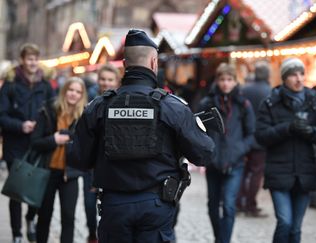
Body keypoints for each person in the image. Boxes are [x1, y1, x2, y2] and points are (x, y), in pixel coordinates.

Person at [70, 29, 215, 243]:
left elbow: (78, 158)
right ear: (154, 63)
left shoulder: (99, 107)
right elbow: (204, 154)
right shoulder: (171, 107)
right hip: (156, 205)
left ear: (125, 64)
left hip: (114, 205)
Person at [255, 57, 316, 243]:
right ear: (284, 79)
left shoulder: (313, 101)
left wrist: (311, 131)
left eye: (301, 74)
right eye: (293, 75)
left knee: (296, 229)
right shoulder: (271, 102)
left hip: (304, 173)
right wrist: (287, 128)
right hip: (279, 172)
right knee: (285, 222)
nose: (299, 79)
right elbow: (261, 136)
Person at [0, 43, 55, 243]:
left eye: (35, 58)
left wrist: (42, 127)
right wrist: (20, 125)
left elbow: (53, 110)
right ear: (22, 60)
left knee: (36, 186)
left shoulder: (46, 84)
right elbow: (1, 115)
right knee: (16, 190)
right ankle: (16, 233)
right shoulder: (11, 83)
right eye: (29, 58)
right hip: (15, 144)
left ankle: (30, 218)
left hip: (37, 145)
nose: (32, 62)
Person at [199, 63, 255, 243]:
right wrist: (207, 150)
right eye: (222, 79)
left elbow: (251, 133)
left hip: (235, 163)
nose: (225, 83)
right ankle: (219, 238)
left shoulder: (243, 104)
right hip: (214, 162)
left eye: (229, 80)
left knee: (230, 206)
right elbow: (199, 131)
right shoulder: (207, 103)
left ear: (235, 81)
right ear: (217, 81)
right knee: (212, 206)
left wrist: (240, 149)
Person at [30, 77, 87, 243]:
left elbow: (86, 145)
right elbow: (35, 142)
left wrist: (71, 138)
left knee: (68, 218)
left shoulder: (84, 115)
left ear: (82, 95)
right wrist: (53, 140)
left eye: (78, 91)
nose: (74, 94)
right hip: (47, 172)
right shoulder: (48, 110)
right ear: (64, 90)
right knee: (44, 216)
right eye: (71, 89)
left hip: (70, 174)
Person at [82, 63, 121, 243]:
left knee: (110, 207)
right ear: (98, 81)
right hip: (91, 163)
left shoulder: (122, 101)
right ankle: (92, 234)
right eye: (103, 79)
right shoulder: (89, 100)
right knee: (90, 205)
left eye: (110, 80)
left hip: (112, 163)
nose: (106, 83)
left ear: (117, 81)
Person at [236, 61, 271, 217]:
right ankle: (251, 205)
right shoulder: (270, 92)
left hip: (244, 136)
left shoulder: (245, 90)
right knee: (256, 173)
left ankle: (239, 203)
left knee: (243, 170)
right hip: (261, 138)